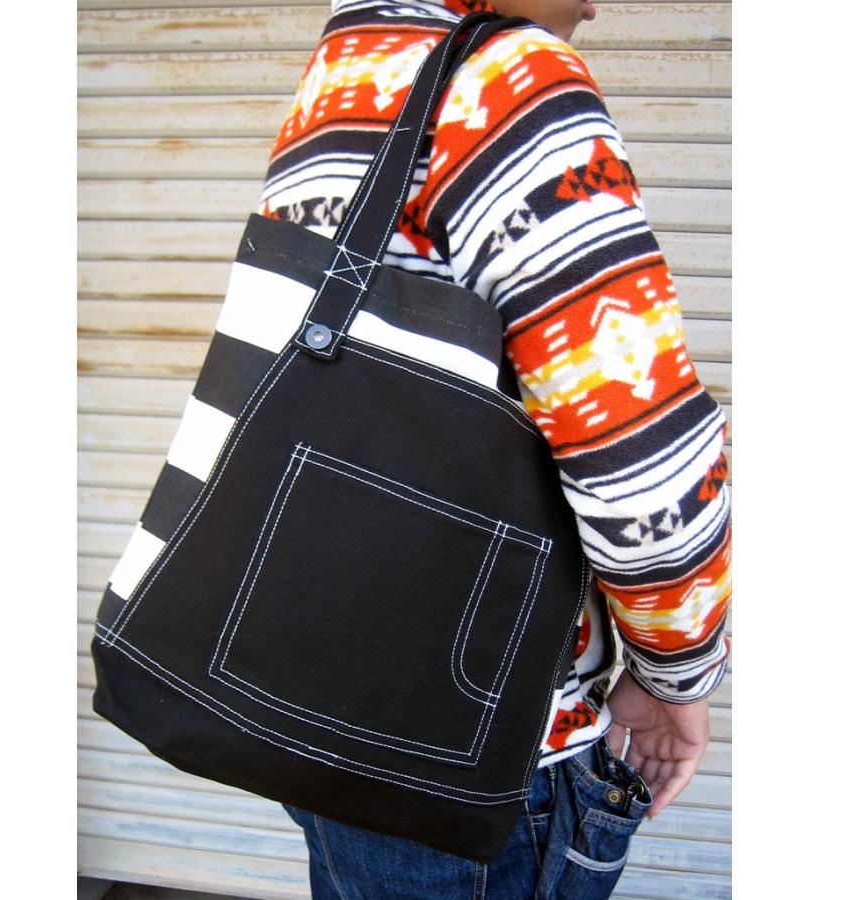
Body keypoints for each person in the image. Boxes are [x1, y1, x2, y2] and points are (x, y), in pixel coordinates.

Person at [255, 0, 731, 895]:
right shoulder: (505, 82)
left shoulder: (350, 69)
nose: (595, 4)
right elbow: (639, 464)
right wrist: (677, 674)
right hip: (479, 745)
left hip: (319, 704)